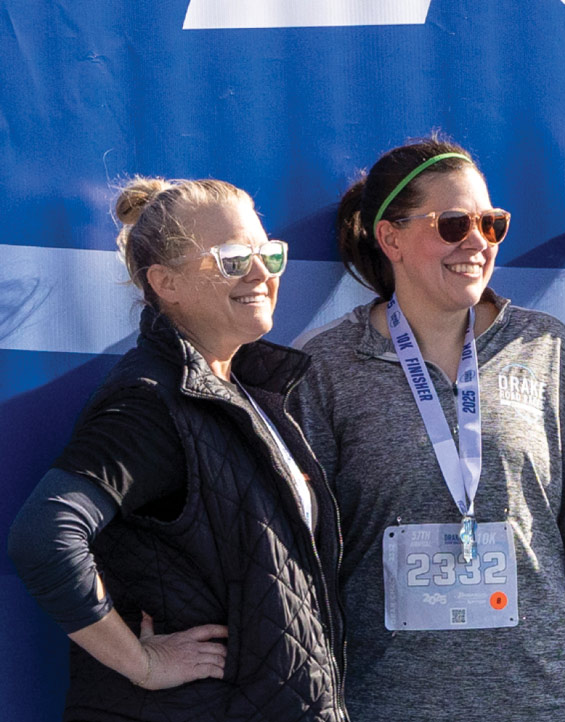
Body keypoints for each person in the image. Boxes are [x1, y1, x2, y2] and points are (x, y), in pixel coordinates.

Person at [291, 138, 565, 722]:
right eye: (453, 223)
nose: (477, 242)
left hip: (546, 701)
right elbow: (304, 565)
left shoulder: (544, 347)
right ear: (392, 238)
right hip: (386, 704)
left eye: (491, 223)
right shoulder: (328, 368)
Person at [7, 177, 348, 721]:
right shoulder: (151, 399)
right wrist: (143, 663)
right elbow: (43, 536)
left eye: (269, 254)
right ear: (166, 282)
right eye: (234, 259)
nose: (261, 273)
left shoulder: (245, 393)